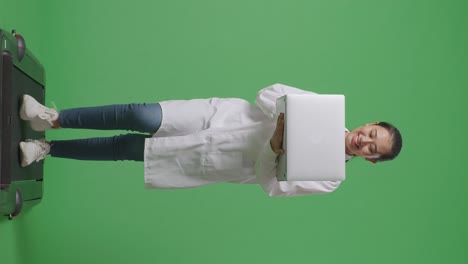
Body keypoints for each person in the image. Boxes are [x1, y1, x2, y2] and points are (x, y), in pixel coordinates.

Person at [18, 83, 403, 197]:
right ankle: (50, 119)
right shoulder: (325, 109)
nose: (365, 141)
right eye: (372, 134)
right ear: (368, 124)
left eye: (373, 148)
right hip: (218, 116)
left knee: (127, 148)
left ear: (371, 160)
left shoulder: (330, 179)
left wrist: (275, 147)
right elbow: (269, 92)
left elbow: (271, 184)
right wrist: (283, 118)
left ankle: (45, 149)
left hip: (220, 159)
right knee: (140, 114)